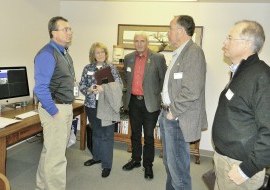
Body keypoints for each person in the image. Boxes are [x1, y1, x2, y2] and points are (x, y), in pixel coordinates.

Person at [212, 20, 270, 190]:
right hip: (225, 159)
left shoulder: (262, 77)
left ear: (247, 44)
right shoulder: (240, 71)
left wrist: (247, 169)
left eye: (230, 38)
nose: (224, 42)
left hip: (240, 167)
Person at [159, 15, 208, 190]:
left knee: (178, 168)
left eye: (170, 28)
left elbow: (192, 89)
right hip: (168, 115)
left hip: (178, 118)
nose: (167, 32)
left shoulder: (194, 52)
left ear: (180, 31)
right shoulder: (179, 53)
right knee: (171, 164)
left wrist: (173, 111)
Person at [34, 16, 75, 190]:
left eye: (70, 29)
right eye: (65, 29)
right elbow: (41, 88)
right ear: (54, 33)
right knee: (57, 158)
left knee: (50, 152)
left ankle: (42, 186)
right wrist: (55, 112)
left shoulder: (63, 52)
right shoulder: (47, 54)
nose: (69, 32)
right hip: (55, 109)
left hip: (64, 106)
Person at [122, 31, 167, 180]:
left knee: (148, 136)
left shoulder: (157, 58)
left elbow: (163, 80)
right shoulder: (128, 59)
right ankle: (135, 160)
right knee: (134, 133)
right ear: (133, 43)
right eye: (136, 41)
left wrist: (155, 94)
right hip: (133, 102)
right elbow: (126, 80)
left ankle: (148, 165)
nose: (139, 44)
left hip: (150, 103)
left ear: (147, 43)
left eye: (142, 41)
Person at [79, 42, 123, 178]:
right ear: (93, 54)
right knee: (96, 132)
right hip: (92, 105)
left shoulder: (111, 67)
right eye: (97, 52)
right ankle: (96, 157)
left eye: (102, 52)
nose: (100, 55)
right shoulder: (88, 68)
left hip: (107, 105)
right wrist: (89, 89)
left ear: (106, 54)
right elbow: (81, 85)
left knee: (107, 135)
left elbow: (119, 85)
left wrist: (104, 88)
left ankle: (106, 165)